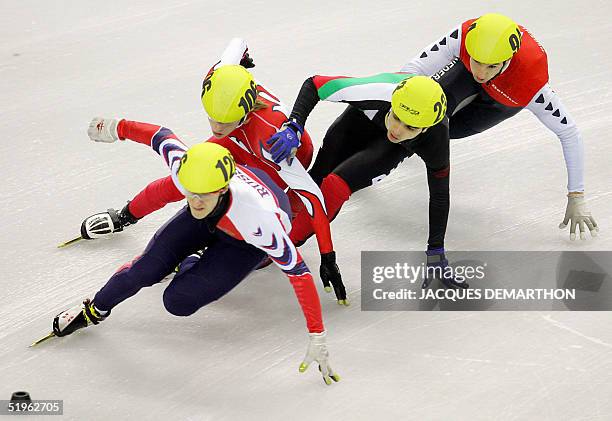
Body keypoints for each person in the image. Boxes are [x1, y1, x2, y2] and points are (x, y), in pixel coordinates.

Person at [79, 38, 347, 304]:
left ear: (243, 115)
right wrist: (242, 57)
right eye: (211, 116)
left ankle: (201, 257)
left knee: (262, 244)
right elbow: (237, 43)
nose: (216, 126)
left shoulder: (270, 140)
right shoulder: (219, 77)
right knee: (187, 176)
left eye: (224, 120)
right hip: (239, 138)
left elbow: (313, 197)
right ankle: (126, 215)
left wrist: (328, 255)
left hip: (273, 156)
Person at [52, 140, 340, 385]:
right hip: (215, 216)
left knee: (177, 302)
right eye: (190, 193)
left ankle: (194, 258)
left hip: (243, 242)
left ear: (223, 188)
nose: (196, 200)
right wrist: (115, 127)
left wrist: (318, 335)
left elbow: (300, 274)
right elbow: (157, 141)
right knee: (144, 270)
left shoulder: (262, 223)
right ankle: (94, 309)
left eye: (204, 194)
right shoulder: (192, 176)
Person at [400, 13, 598, 241]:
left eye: (491, 66)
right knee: (426, 111)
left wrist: (576, 195)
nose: (481, 73)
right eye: (477, 61)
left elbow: (569, 132)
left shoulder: (531, 84)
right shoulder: (465, 35)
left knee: (447, 132)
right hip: (464, 72)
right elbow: (414, 69)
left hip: (504, 98)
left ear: (507, 60)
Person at [266, 72, 467, 288]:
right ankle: (265, 222)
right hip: (359, 122)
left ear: (425, 129)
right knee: (316, 178)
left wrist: (436, 250)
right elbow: (314, 85)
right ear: (393, 103)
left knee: (333, 189)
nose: (397, 130)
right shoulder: (377, 91)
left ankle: (285, 244)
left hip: (390, 149)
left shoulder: (435, 140)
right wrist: (294, 126)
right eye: (397, 117)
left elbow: (439, 195)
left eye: (410, 127)